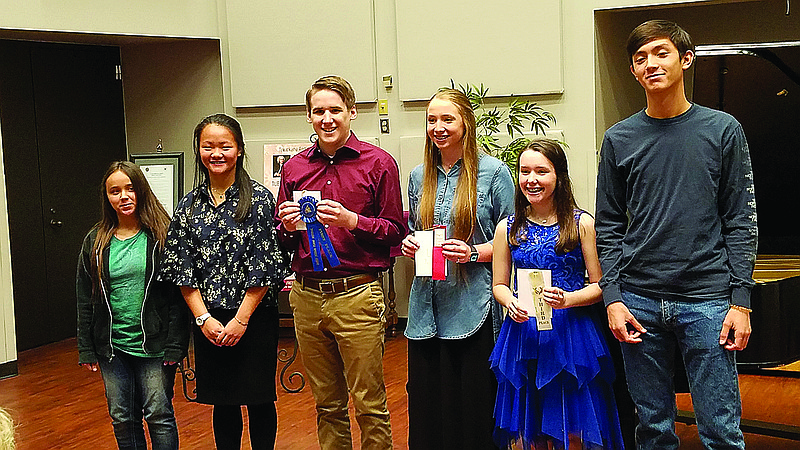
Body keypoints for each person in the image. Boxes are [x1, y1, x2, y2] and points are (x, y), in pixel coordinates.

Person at [595, 20, 757, 449]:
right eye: (640, 58)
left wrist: (741, 301)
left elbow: (741, 220)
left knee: (721, 431)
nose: (651, 64)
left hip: (707, 300)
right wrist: (612, 298)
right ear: (633, 70)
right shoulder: (619, 139)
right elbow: (608, 225)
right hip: (639, 300)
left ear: (686, 59)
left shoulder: (722, 130)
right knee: (652, 430)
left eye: (661, 53)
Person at [276, 75, 404, 450]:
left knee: (369, 404)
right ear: (309, 117)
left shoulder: (379, 164)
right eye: (318, 112)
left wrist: (352, 221)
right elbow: (283, 242)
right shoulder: (294, 168)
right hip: (307, 297)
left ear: (352, 112)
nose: (326, 119)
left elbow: (395, 231)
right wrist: (285, 227)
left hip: (357, 294)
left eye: (335, 110)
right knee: (327, 404)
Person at [158, 113, 289, 449]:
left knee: (259, 400)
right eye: (208, 146)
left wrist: (241, 320)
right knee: (223, 401)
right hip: (208, 321)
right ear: (199, 151)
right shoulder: (188, 205)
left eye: (225, 146)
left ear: (239, 150)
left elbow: (267, 263)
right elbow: (179, 264)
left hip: (253, 317)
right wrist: (203, 319)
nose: (216, 154)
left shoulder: (259, 200)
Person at [489, 139, 624, 449]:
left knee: (572, 425)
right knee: (531, 426)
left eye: (541, 171)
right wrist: (509, 300)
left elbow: (600, 284)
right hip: (524, 333)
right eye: (524, 171)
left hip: (571, 333)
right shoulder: (506, 228)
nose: (531, 179)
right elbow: (498, 284)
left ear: (558, 176)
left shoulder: (581, 224)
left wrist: (568, 299)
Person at [400, 87, 515, 449]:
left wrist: (472, 253)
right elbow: (418, 229)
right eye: (432, 120)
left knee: (473, 406)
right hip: (425, 310)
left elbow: (515, 239)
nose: (438, 127)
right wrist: (409, 243)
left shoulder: (494, 173)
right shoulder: (419, 176)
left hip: (474, 308)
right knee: (427, 407)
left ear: (466, 122)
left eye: (447, 119)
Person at [76, 161, 189, 450]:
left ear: (141, 191)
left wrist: (177, 344)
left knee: (159, 414)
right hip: (112, 347)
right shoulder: (95, 241)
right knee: (122, 417)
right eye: (115, 191)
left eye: (129, 189)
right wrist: (86, 346)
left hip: (155, 344)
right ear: (107, 197)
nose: (123, 196)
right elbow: (86, 297)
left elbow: (178, 297)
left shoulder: (162, 236)